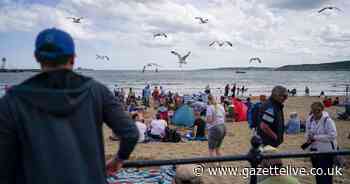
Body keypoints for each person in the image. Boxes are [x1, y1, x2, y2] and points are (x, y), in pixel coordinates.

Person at [0, 28, 139, 183]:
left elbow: (4, 162)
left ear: (37, 58)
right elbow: (130, 133)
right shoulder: (96, 91)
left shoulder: (12, 101)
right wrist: (119, 159)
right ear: (73, 58)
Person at [305, 102, 337, 184]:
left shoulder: (328, 120)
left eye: (318, 110)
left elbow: (332, 136)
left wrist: (315, 137)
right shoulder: (309, 119)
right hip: (313, 151)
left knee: (325, 176)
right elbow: (307, 132)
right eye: (313, 110)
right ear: (311, 110)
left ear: (322, 110)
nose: (315, 112)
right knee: (318, 175)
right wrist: (308, 137)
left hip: (325, 151)